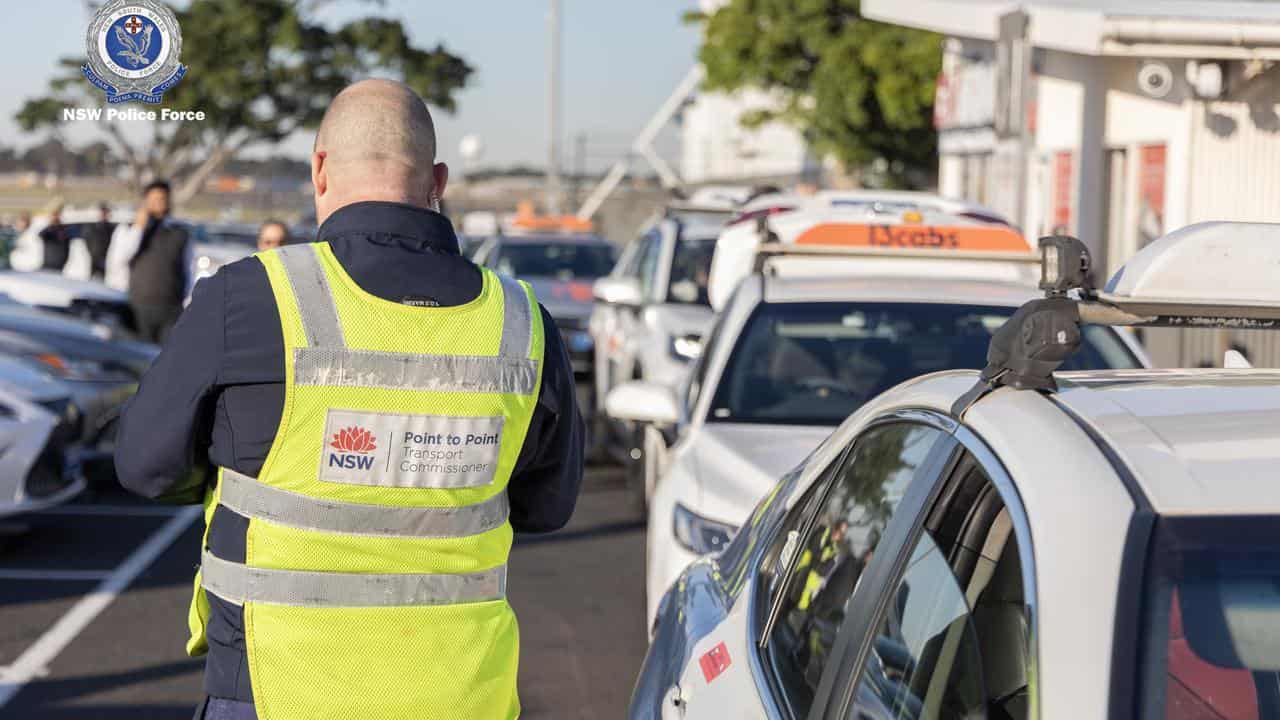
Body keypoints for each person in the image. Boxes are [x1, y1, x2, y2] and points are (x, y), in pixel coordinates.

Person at [114, 79, 584, 720]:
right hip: (462, 695)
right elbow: (546, 506)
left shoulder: (248, 297)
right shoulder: (522, 323)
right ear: (437, 180)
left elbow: (145, 466)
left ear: (319, 168)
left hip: (274, 690)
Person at [105, 181, 192, 343]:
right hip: (138, 307)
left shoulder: (180, 232)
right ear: (145, 202)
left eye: (162, 199)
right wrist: (139, 228)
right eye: (153, 200)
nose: (158, 204)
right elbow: (118, 260)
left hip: (171, 308)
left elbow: (187, 270)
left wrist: (187, 301)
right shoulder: (128, 229)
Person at [83, 202, 116, 281]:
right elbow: (88, 241)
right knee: (92, 279)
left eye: (106, 212)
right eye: (103, 212)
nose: (104, 214)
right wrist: (93, 252)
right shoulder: (93, 227)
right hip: (95, 257)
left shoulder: (111, 228)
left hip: (107, 257)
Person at [37, 201, 72, 272]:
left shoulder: (65, 229)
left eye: (57, 215)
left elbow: (68, 237)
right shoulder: (48, 230)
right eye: (53, 215)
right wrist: (51, 224)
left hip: (60, 261)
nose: (55, 217)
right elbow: (41, 234)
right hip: (48, 261)